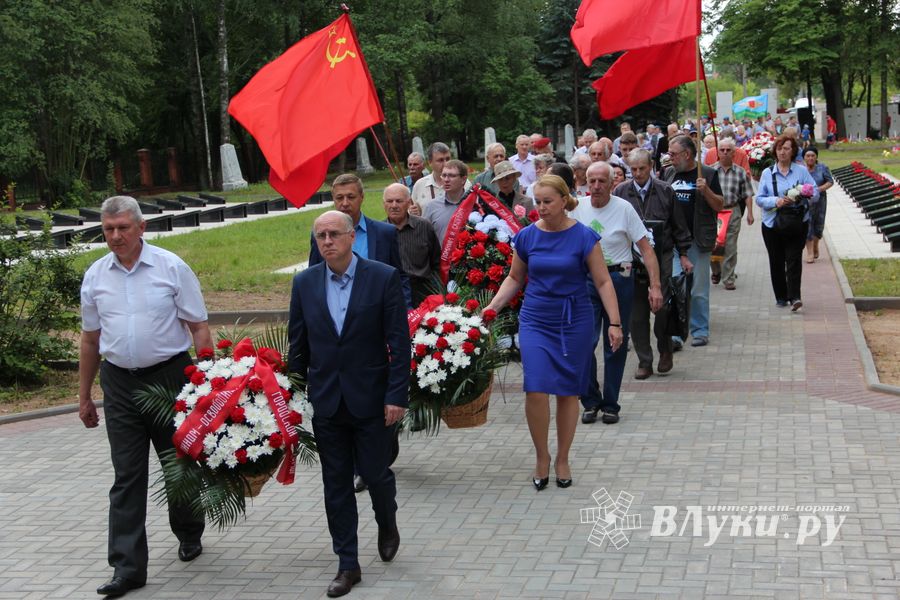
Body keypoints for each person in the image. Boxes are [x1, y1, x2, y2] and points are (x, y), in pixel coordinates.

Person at [79, 196, 209, 598]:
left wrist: (207, 386)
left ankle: (189, 530)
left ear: (141, 228)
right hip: (119, 384)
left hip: (170, 378)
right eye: (108, 230)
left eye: (123, 228)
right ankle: (127, 568)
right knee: (127, 475)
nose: (115, 236)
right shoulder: (95, 276)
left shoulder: (171, 267)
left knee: (178, 464)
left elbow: (199, 328)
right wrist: (84, 395)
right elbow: (90, 339)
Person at [288, 211, 409, 598]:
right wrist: (293, 397)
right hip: (327, 401)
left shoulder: (382, 277)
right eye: (320, 236)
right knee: (335, 485)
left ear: (351, 236)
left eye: (334, 234)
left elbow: (399, 343)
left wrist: (396, 396)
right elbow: (298, 346)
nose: (327, 241)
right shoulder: (305, 283)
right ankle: (347, 563)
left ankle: (387, 522)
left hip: (371, 398)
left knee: (375, 475)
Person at [483, 174, 623, 491]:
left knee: (567, 391)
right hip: (536, 319)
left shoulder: (584, 236)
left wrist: (614, 323)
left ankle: (562, 458)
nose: (542, 207)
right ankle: (541, 456)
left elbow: (603, 282)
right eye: (538, 201)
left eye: (548, 201)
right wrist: (493, 307)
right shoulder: (527, 237)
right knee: (535, 387)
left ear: (564, 200)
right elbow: (515, 278)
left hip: (574, 321)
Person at [571, 162, 662, 426]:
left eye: (602, 181)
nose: (596, 186)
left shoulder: (624, 209)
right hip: (587, 280)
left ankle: (611, 404)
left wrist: (655, 286)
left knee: (615, 342)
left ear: (613, 183)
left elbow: (646, 249)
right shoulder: (576, 208)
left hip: (619, 278)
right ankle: (590, 400)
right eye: (592, 180)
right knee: (584, 342)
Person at [616, 150, 692, 379]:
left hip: (662, 254)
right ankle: (644, 360)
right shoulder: (621, 192)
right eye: (633, 169)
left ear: (651, 166)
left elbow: (679, 225)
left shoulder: (665, 190)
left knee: (663, 306)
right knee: (637, 312)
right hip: (632, 258)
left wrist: (684, 254)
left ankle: (665, 349)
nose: (638, 173)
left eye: (642, 168)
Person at [309, 173, 411, 309]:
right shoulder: (320, 236)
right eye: (339, 198)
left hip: (377, 310)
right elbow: (313, 278)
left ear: (362, 197)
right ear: (333, 199)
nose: (345, 203)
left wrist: (405, 310)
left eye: (351, 197)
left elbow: (399, 277)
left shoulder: (385, 233)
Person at [664, 134, 725, 348]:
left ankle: (700, 330)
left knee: (698, 290)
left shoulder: (707, 173)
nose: (670, 157)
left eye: (673, 154)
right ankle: (676, 334)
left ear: (687, 154)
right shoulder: (668, 173)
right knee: (675, 288)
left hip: (697, 241)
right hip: (673, 242)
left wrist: (706, 190)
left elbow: (719, 205)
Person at [756, 134, 820, 311]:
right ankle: (781, 296)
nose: (782, 152)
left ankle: (795, 297)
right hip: (772, 224)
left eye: (786, 149)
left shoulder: (801, 171)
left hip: (797, 223)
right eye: (779, 148)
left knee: (793, 259)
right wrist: (776, 201)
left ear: (793, 152)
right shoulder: (767, 173)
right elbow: (759, 199)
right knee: (776, 261)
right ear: (775, 151)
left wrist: (805, 193)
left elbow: (815, 193)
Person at [382, 183, 441, 305]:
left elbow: (436, 262)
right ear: (384, 204)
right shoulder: (378, 231)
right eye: (389, 201)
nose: (394, 205)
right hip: (390, 293)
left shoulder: (424, 226)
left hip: (422, 292)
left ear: (409, 203)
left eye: (399, 201)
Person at [710, 137, 755, 290]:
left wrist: (750, 213)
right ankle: (716, 270)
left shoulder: (740, 172)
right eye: (722, 150)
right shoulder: (710, 171)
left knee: (730, 246)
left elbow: (747, 194)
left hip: (732, 211)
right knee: (714, 245)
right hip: (714, 212)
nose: (725, 152)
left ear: (734, 153)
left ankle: (728, 278)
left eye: (728, 150)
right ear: (718, 152)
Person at [411, 142, 470, 213]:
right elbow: (412, 211)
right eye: (440, 160)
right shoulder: (420, 185)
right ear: (430, 162)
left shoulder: (464, 183)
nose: (445, 163)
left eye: (448, 159)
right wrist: (412, 213)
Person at [422, 159, 470, 241]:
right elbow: (424, 237)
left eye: (452, 176)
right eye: (444, 175)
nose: (446, 180)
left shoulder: (475, 204)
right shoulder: (431, 207)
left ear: (463, 179)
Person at [802, 147, 834, 263]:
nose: (810, 158)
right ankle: (810, 252)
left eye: (813, 156)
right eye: (808, 156)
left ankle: (816, 245)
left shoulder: (822, 168)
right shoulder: (801, 170)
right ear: (804, 157)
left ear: (816, 157)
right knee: (808, 224)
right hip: (806, 202)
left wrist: (818, 189)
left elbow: (830, 181)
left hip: (820, 201)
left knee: (819, 225)